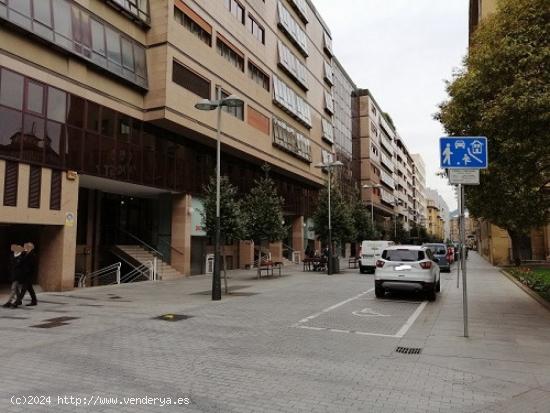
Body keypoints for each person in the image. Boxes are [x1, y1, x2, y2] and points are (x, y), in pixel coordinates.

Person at [16, 242, 38, 307]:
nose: (25, 247)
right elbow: (21, 262)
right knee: (30, 288)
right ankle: (34, 301)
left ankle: (18, 301)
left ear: (30, 247)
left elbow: (33, 266)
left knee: (24, 288)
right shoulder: (25, 254)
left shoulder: (33, 255)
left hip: (29, 275)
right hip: (25, 274)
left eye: (26, 247)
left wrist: (30, 273)